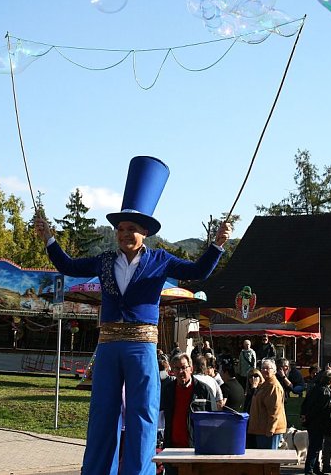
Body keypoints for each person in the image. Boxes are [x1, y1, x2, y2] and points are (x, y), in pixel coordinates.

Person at [33, 156, 231, 475]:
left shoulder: (160, 259)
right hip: (108, 346)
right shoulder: (104, 260)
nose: (124, 233)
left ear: (145, 232)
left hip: (142, 346)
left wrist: (217, 245)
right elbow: (68, 266)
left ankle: (139, 472)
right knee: (103, 413)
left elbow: (197, 271)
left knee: (142, 414)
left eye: (132, 228)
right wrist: (49, 239)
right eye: (121, 228)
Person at [160, 353, 214, 475]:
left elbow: (213, 421)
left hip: (196, 450)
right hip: (172, 449)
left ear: (191, 368)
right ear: (172, 371)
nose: (181, 371)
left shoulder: (203, 390)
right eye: (177, 368)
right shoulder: (167, 390)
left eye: (184, 367)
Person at [301, 368, 331, 475]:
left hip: (312, 422)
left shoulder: (314, 389)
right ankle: (309, 470)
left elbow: (305, 403)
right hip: (319, 423)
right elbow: (321, 409)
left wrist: (305, 416)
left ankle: (315, 469)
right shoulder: (325, 392)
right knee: (315, 447)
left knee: (315, 446)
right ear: (330, 381)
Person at [247, 358, 288, 449]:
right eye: (262, 368)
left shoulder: (273, 386)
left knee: (269, 460)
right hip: (261, 430)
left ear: (274, 371)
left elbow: (274, 410)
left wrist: (271, 430)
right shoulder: (265, 384)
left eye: (268, 368)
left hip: (269, 432)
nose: (264, 370)